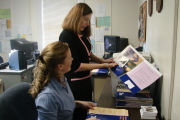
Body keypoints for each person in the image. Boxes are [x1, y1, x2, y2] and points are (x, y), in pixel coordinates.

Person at [59, 3, 117, 120]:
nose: (87, 23)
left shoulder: (82, 34)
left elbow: (88, 53)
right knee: (78, 114)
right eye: (85, 19)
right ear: (76, 17)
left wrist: (102, 61)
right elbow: (75, 66)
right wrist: (103, 65)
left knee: (87, 110)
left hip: (85, 80)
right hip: (75, 83)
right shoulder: (66, 36)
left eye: (89, 20)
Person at [28, 41, 99, 120]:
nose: (72, 59)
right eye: (69, 57)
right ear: (60, 66)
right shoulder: (47, 97)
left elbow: (61, 106)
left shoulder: (62, 79)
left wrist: (78, 103)